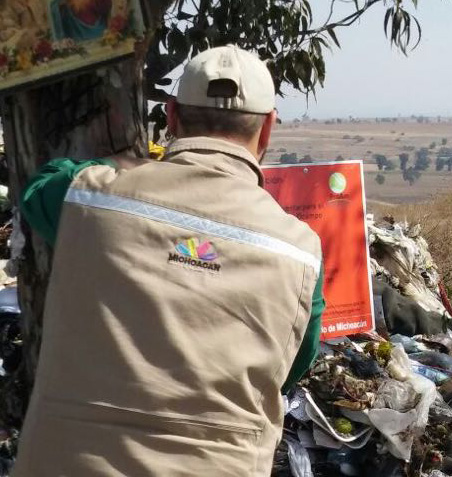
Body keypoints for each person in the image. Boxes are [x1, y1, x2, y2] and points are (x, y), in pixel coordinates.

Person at [14, 45, 325, 475]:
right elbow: (295, 361)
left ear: (173, 115)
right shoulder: (298, 250)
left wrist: (114, 162)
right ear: (268, 128)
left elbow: (37, 190)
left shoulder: (91, 197)